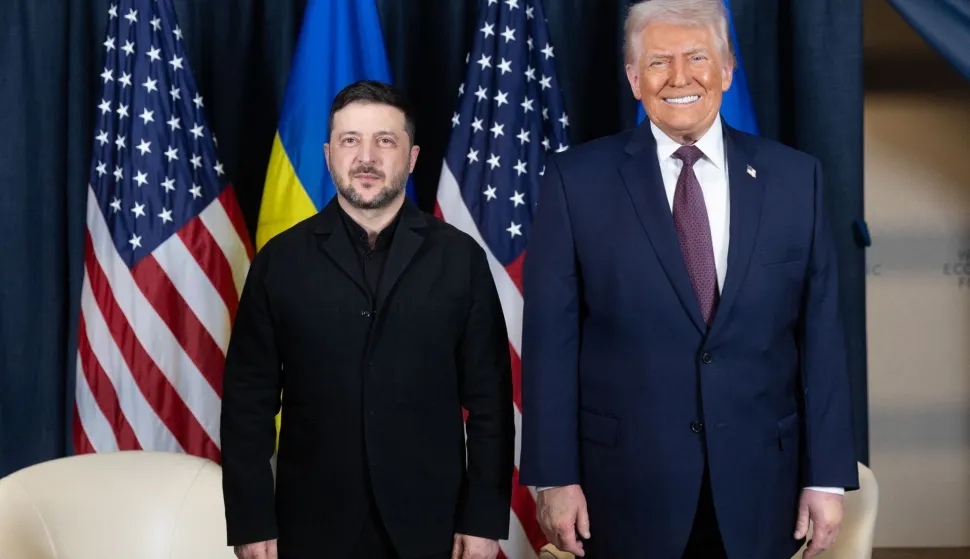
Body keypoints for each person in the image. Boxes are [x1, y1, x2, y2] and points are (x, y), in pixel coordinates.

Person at [518, 1, 859, 558]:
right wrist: (553, 477)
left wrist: (824, 479)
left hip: (761, 487)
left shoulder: (798, 179)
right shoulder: (575, 181)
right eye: (658, 61)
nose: (679, 77)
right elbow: (551, 344)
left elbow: (820, 338)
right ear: (633, 78)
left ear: (727, 69)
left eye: (697, 57)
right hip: (623, 488)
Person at [220, 80, 514, 559]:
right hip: (309, 525)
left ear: (412, 156)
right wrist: (251, 521)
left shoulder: (460, 259)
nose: (367, 157)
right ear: (329, 153)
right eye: (350, 140)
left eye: (385, 140)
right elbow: (246, 405)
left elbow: (491, 404)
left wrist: (482, 518)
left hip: (432, 525)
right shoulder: (280, 261)